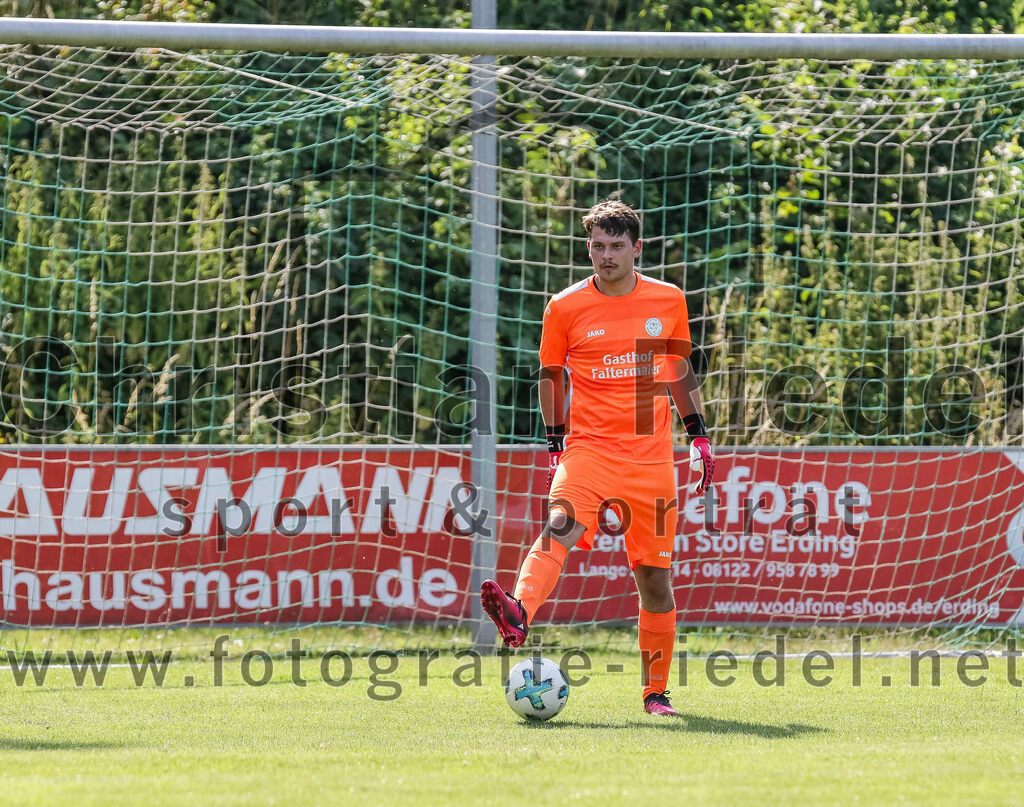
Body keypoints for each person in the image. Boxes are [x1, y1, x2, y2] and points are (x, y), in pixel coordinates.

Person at [480, 199, 714, 717]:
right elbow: (551, 377)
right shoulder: (563, 306)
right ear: (588, 246)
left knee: (654, 578)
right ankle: (519, 611)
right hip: (587, 450)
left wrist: (698, 436)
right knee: (558, 527)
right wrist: (554, 442)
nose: (605, 256)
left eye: (615, 246)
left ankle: (656, 693)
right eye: (597, 246)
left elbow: (678, 371)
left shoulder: (668, 299)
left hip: (651, 460)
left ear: (636, 248)